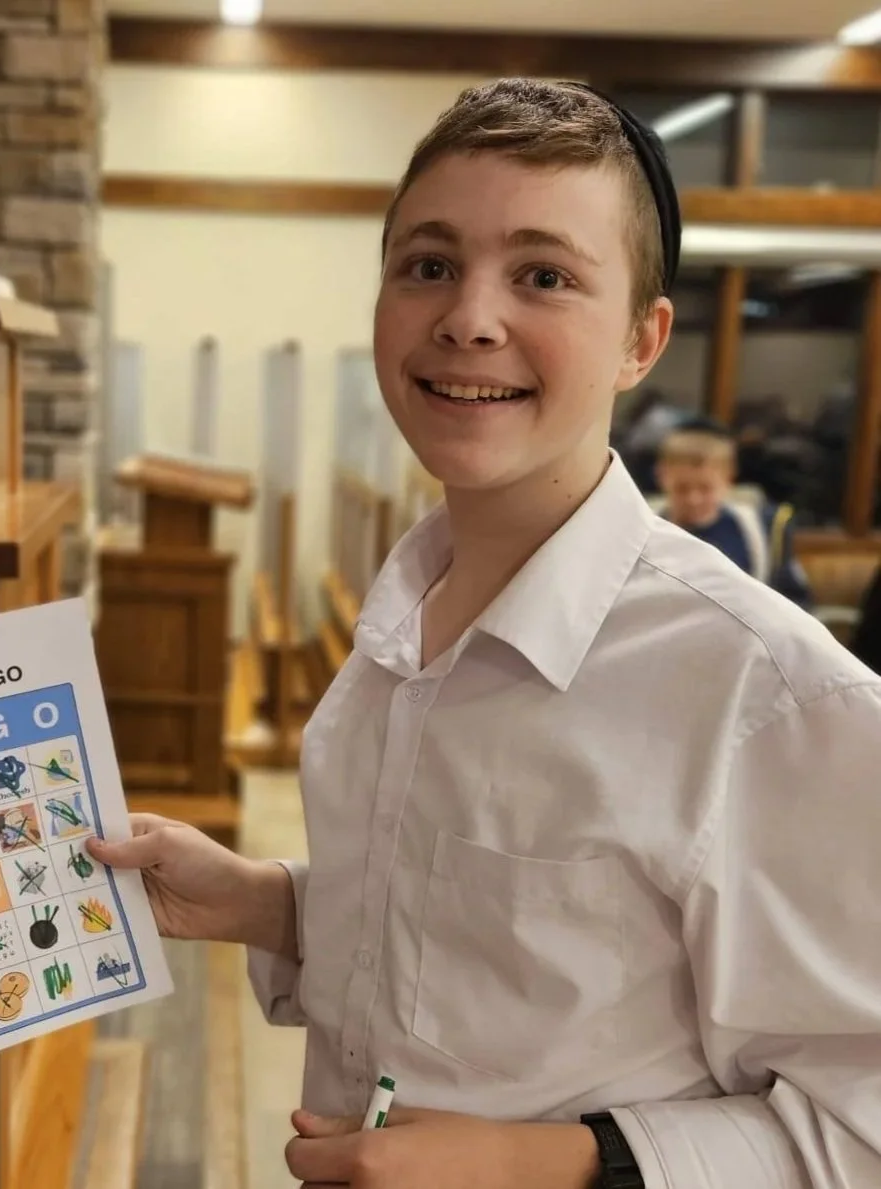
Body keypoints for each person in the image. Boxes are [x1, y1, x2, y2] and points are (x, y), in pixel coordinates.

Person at [87, 78, 881, 1189]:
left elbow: (863, 1126)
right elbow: (519, 946)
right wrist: (267, 901)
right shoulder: (405, 614)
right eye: (428, 265)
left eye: (543, 276)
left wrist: (538, 1163)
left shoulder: (771, 697)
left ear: (641, 341)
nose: (468, 315)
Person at [654, 418, 812, 607]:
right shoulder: (642, 527)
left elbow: (795, 604)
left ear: (728, 479)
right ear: (662, 476)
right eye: (682, 488)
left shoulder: (764, 531)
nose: (693, 499)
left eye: (706, 489)